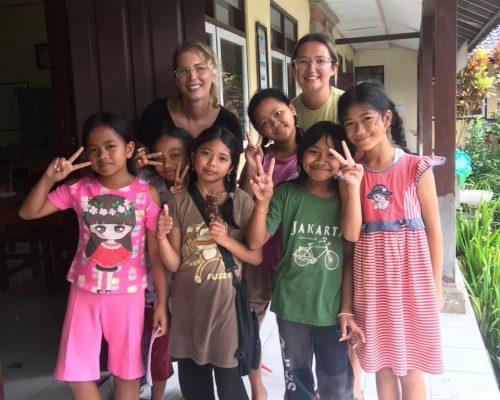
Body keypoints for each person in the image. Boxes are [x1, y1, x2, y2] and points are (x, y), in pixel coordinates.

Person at [18, 112, 164, 400]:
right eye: (94, 149)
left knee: (127, 371)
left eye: (111, 146)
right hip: (83, 291)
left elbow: (156, 254)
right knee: (75, 370)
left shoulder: (146, 194)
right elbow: (28, 212)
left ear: (129, 149)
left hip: (129, 293)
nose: (103, 155)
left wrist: (160, 301)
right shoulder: (78, 189)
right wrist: (50, 177)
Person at [337, 80, 445, 400]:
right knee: (382, 365)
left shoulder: (416, 168)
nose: (359, 130)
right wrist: (353, 183)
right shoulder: (350, 174)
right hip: (371, 282)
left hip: (412, 282)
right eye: (350, 124)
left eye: (366, 119)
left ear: (386, 119)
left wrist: (436, 286)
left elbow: (434, 230)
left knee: (411, 367)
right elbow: (352, 235)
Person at [247, 121, 365, 400]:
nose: (322, 160)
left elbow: (351, 234)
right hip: (292, 306)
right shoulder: (287, 194)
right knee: (296, 381)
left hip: (332, 309)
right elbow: (255, 242)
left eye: (331, 153)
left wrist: (351, 188)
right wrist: (262, 204)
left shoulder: (347, 196)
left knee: (336, 383)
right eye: (313, 152)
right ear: (301, 156)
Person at [154, 126, 262, 400]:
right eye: (205, 154)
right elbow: (175, 264)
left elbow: (255, 256)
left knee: (230, 386)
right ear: (193, 158)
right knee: (194, 386)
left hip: (225, 308)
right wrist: (161, 238)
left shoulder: (241, 202)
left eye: (223, 158)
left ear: (231, 166)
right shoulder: (177, 201)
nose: (212, 163)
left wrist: (226, 240)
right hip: (188, 307)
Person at [240, 88, 303, 400]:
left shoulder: (313, 151)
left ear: (292, 109)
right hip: (261, 255)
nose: (274, 124)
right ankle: (257, 386)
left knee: (297, 331)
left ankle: (303, 386)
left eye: (278, 113)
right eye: (264, 123)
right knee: (252, 323)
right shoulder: (261, 158)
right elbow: (243, 201)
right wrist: (251, 166)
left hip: (301, 258)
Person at [135, 127, 193, 400]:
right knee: (149, 340)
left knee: (168, 343)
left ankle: (160, 392)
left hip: (184, 283)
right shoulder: (146, 183)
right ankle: (137, 386)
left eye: (176, 155)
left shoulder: (196, 186)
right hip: (147, 279)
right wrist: (137, 165)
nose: (168, 164)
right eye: (160, 157)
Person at [139, 41, 243, 147]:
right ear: (176, 80)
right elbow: (141, 157)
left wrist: (251, 163)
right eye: (183, 71)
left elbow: (232, 163)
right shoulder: (154, 115)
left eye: (200, 68)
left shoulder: (230, 124)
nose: (192, 77)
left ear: (214, 74)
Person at [291, 33, 344, 130]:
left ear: (333, 68)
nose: (311, 69)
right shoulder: (289, 112)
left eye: (320, 61)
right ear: (294, 69)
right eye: (303, 61)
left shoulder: (349, 104)